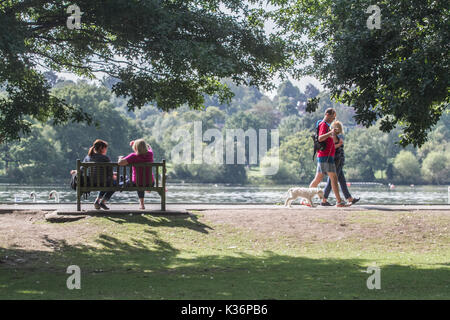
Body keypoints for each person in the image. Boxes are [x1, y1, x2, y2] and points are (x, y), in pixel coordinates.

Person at [309, 108, 349, 207]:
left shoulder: (325, 125)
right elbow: (320, 138)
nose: (333, 119)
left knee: (319, 179)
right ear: (327, 114)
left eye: (334, 117)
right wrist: (330, 132)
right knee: (333, 178)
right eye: (332, 117)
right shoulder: (323, 124)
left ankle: (306, 199)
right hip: (325, 156)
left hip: (325, 156)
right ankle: (339, 202)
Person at [321, 120, 360, 206]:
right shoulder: (332, 136)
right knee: (331, 181)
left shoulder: (334, 136)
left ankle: (349, 198)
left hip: (339, 162)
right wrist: (339, 144)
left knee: (342, 181)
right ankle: (324, 199)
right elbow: (331, 148)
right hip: (335, 162)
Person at [70, 139, 115, 210]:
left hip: (91, 182)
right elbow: (110, 172)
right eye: (106, 148)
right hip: (103, 182)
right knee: (114, 183)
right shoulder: (105, 158)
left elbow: (81, 169)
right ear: (101, 148)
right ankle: (102, 202)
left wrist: (75, 171)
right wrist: (114, 176)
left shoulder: (88, 157)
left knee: (105, 181)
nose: (106, 150)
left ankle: (97, 201)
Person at [118, 139, 155, 210]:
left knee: (138, 182)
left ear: (135, 148)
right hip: (151, 183)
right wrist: (141, 144)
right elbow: (150, 148)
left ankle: (142, 204)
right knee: (141, 182)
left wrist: (120, 158)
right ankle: (147, 189)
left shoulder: (133, 156)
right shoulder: (150, 154)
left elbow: (120, 163)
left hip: (138, 183)